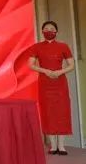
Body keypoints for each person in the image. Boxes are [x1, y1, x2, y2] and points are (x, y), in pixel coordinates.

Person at [27, 20, 75, 155]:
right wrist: (45, 71)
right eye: (46, 29)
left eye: (52, 29)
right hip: (45, 83)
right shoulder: (36, 47)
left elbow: (71, 65)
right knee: (48, 111)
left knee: (62, 111)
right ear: (42, 31)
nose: (49, 31)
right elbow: (30, 64)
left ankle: (62, 146)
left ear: (56, 32)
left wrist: (60, 72)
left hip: (60, 82)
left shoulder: (63, 46)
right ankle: (53, 146)